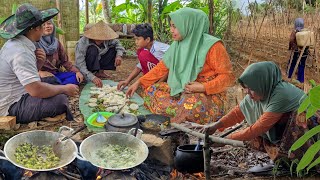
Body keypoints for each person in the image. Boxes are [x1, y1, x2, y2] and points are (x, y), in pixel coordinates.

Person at [126, 8, 234, 124]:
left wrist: (203, 87)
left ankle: (178, 118)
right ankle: (177, 116)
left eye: (175, 26)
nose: (171, 30)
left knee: (192, 106)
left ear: (189, 25)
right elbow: (161, 68)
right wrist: (139, 82)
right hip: (182, 88)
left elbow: (227, 78)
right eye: (171, 26)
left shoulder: (213, 46)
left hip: (207, 93)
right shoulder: (176, 45)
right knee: (151, 90)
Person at [205, 61, 314, 167]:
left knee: (298, 119)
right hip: (283, 132)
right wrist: (217, 125)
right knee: (252, 131)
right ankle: (285, 162)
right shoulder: (260, 92)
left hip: (310, 132)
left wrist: (226, 140)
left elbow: (259, 127)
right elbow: (238, 113)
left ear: (263, 83)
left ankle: (304, 162)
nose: (247, 92)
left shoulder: (281, 95)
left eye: (251, 88)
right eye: (246, 88)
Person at [0, 3, 79, 123]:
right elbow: (35, 90)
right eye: (42, 25)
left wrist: (39, 63)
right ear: (36, 28)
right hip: (12, 103)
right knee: (60, 101)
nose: (44, 29)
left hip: (23, 89)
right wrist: (64, 89)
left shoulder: (21, 43)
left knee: (54, 80)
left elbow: (26, 76)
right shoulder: (21, 51)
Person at [117, 23, 170, 90]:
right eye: (135, 39)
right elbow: (139, 67)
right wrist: (127, 81)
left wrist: (157, 86)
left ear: (147, 39)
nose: (136, 42)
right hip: (159, 73)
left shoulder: (158, 50)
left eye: (138, 39)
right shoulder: (145, 49)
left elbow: (168, 70)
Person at [75, 21, 125, 88]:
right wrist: (92, 77)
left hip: (99, 57)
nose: (100, 39)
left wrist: (119, 55)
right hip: (88, 63)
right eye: (97, 37)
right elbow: (80, 64)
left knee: (113, 49)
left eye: (102, 38)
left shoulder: (107, 38)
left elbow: (118, 43)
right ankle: (90, 73)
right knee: (93, 49)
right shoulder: (82, 43)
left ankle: (100, 72)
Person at [36, 19, 84, 85]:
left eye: (49, 23)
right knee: (47, 81)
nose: (47, 26)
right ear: (39, 28)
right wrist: (39, 72)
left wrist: (77, 72)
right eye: (43, 25)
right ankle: (58, 88)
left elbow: (65, 61)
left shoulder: (57, 43)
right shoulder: (35, 43)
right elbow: (28, 65)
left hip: (56, 74)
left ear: (53, 26)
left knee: (75, 77)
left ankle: (56, 88)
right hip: (42, 76)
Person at [287, 18, 309, 83]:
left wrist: (290, 47)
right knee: (302, 65)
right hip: (305, 51)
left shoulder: (295, 32)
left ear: (295, 24)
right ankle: (301, 79)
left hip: (296, 51)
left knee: (292, 63)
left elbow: (291, 41)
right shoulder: (306, 32)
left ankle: (290, 75)